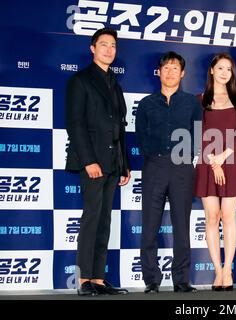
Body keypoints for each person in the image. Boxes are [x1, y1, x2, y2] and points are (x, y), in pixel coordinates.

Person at [65, 28, 131, 296]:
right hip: (93, 162)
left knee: (104, 221)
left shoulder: (114, 83)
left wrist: (124, 164)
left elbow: (120, 127)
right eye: (103, 44)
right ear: (93, 48)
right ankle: (84, 281)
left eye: (113, 45)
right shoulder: (80, 80)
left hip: (113, 163)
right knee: (92, 219)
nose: (109, 49)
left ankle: (99, 279)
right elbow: (75, 124)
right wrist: (89, 160)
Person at [136, 51, 202, 293]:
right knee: (150, 225)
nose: (170, 72)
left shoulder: (191, 103)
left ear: (182, 73)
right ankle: (151, 280)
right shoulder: (146, 104)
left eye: (175, 68)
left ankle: (181, 279)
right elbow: (140, 135)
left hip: (182, 167)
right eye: (166, 67)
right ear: (159, 72)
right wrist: (154, 155)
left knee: (181, 225)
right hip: (154, 166)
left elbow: (197, 133)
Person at [194, 53, 236, 291]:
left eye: (228, 69)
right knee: (212, 217)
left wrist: (222, 157)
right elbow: (196, 131)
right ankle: (217, 271)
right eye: (220, 68)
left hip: (233, 161)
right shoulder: (199, 100)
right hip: (207, 162)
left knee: (228, 216)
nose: (224, 72)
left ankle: (228, 270)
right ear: (211, 70)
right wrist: (213, 160)